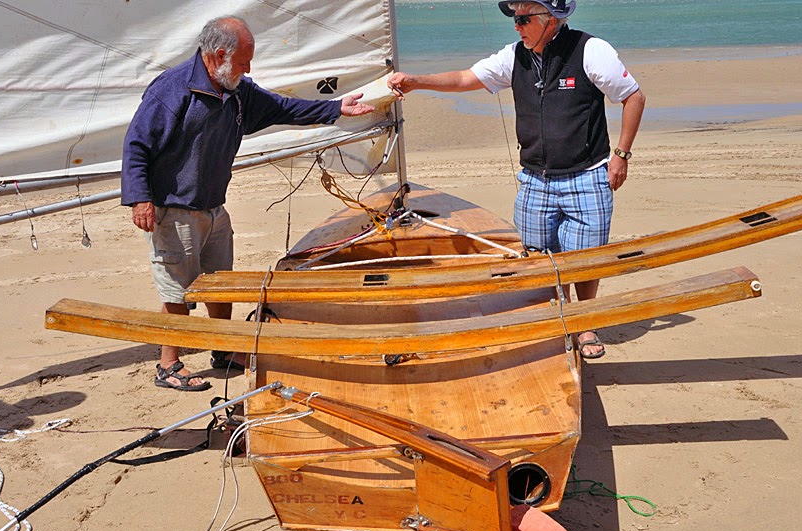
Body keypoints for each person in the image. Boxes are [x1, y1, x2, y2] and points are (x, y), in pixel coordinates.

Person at [122, 16, 374, 391]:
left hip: (212, 206)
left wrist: (336, 108)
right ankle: (168, 365)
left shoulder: (237, 90)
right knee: (177, 291)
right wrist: (140, 197)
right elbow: (137, 144)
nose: (248, 69)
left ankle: (223, 349)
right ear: (218, 55)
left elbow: (284, 108)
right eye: (243, 61)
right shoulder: (173, 90)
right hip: (172, 209)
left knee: (220, 283)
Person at [388, 0, 645, 359]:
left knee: (585, 259)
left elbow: (633, 97)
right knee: (541, 257)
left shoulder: (591, 51)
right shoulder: (514, 57)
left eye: (523, 18)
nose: (516, 26)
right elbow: (467, 78)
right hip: (535, 180)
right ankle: (560, 316)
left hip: (587, 176)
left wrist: (621, 155)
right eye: (514, 18)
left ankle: (584, 323)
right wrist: (417, 82)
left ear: (551, 20)